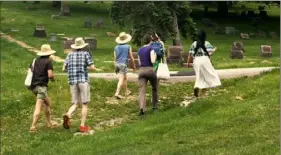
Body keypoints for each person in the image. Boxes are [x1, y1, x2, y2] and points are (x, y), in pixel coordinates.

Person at [62, 37, 101, 133]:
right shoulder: (85, 54)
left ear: (74, 46)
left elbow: (64, 68)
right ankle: (82, 126)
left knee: (75, 103)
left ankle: (68, 114)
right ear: (83, 46)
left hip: (72, 81)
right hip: (83, 81)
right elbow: (92, 68)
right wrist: (85, 68)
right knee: (84, 104)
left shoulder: (69, 55)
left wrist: (72, 69)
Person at [29, 44, 57, 132]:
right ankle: (33, 127)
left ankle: (49, 123)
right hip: (41, 87)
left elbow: (29, 71)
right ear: (49, 53)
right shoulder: (48, 62)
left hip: (33, 86)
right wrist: (53, 79)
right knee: (38, 107)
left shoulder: (35, 61)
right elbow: (50, 75)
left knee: (48, 103)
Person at [187, 30, 221, 98]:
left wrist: (188, 63)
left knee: (199, 76)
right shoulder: (206, 43)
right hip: (205, 60)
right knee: (209, 75)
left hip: (196, 60)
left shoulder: (194, 43)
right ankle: (203, 94)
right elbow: (211, 51)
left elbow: (190, 54)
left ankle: (197, 86)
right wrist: (215, 49)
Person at [138, 34, 158, 116]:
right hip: (149, 69)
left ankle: (142, 109)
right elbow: (153, 61)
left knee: (142, 90)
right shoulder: (151, 49)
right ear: (150, 41)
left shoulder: (140, 50)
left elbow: (139, 62)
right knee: (155, 87)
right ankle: (155, 106)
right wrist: (156, 56)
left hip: (141, 70)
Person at [113, 32, 136, 99]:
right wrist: (134, 65)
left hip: (117, 64)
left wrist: (115, 65)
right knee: (121, 79)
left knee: (124, 78)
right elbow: (131, 57)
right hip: (123, 64)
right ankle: (117, 93)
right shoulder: (128, 46)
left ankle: (126, 91)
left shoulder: (116, 47)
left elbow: (115, 57)